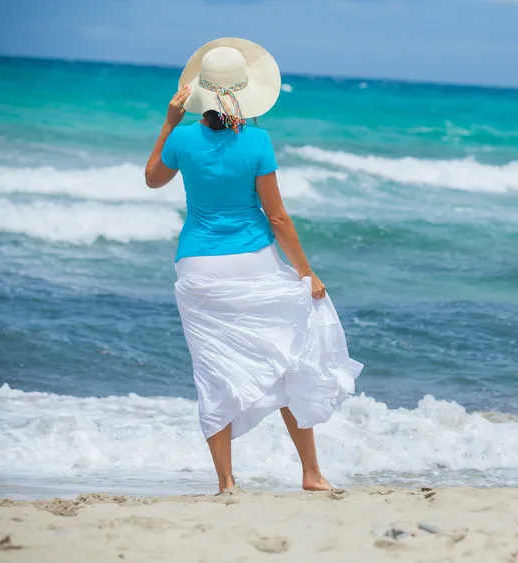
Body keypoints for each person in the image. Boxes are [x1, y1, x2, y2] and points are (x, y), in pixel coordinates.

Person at [144, 38, 362, 493]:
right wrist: (307, 271)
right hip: (255, 264)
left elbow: (152, 180)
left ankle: (226, 484)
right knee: (287, 360)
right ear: (245, 94)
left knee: (213, 371)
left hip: (199, 268)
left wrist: (168, 123)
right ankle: (311, 473)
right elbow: (277, 217)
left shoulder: (183, 138)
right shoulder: (258, 141)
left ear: (199, 94)